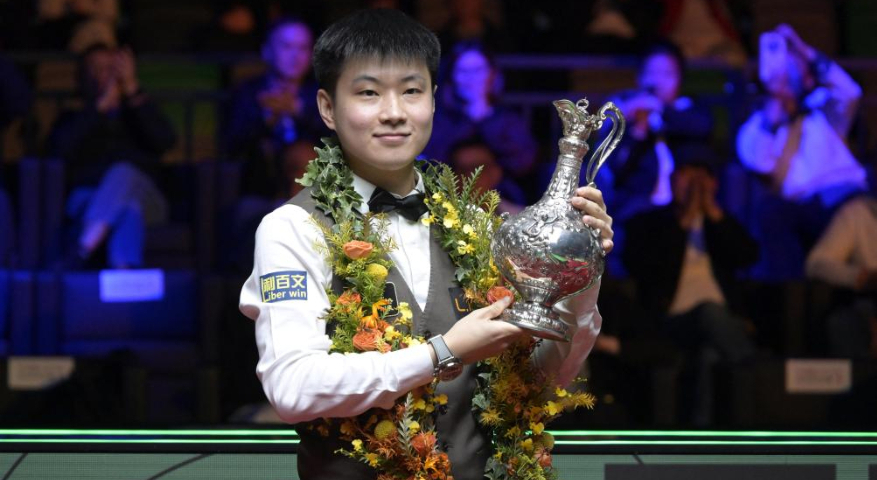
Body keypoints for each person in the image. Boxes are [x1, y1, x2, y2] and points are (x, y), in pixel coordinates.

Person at [239, 9, 613, 479]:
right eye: (368, 92)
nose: (394, 112)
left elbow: (543, 379)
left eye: (412, 91)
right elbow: (293, 388)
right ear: (327, 108)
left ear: (434, 100)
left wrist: (581, 273)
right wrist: (442, 352)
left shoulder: (476, 223)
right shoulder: (293, 228)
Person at [623, 161, 758, 426]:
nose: (694, 185)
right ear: (672, 181)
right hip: (671, 321)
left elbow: (748, 256)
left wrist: (713, 213)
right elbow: (642, 265)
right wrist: (684, 221)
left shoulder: (721, 223)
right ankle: (758, 368)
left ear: (714, 184)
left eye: (701, 177)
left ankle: (703, 436)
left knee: (709, 355)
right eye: (687, 177)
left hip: (720, 324)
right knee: (709, 311)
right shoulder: (649, 222)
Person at [736, 24, 868, 281]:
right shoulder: (756, 126)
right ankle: (791, 296)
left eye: (792, 65)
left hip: (848, 194)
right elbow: (760, 163)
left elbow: (851, 93)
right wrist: (775, 103)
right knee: (770, 213)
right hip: (804, 206)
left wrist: (804, 50)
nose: (787, 72)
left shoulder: (822, 108)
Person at [49, 43, 176, 269]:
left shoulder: (138, 111)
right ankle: (123, 276)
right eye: (97, 69)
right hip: (89, 197)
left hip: (148, 198)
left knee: (124, 172)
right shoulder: (73, 118)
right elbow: (59, 150)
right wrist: (98, 109)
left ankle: (82, 249)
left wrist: (132, 89)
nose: (105, 75)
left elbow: (166, 142)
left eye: (111, 68)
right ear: (83, 77)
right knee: (129, 209)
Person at [598, 40, 713, 275]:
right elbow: (617, 168)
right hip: (638, 209)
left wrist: (659, 109)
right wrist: (637, 130)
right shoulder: (629, 119)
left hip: (682, 207)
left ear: (680, 79)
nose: (658, 82)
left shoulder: (688, 110)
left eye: (667, 74)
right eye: (652, 73)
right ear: (640, 78)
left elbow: (701, 126)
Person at [423, 41, 537, 198]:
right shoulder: (441, 121)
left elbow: (525, 163)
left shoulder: (508, 120)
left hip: (502, 195)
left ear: (491, 74)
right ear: (452, 77)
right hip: (450, 195)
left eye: (478, 70)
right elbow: (432, 162)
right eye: (463, 71)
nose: (471, 78)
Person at [806, 195, 877, 358]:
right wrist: (861, 277)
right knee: (843, 323)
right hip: (867, 305)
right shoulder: (858, 213)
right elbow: (817, 264)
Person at [446, 136, 526, 215]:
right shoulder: (441, 218)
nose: (468, 176)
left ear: (495, 172)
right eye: (461, 170)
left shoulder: (523, 218)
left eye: (476, 168)